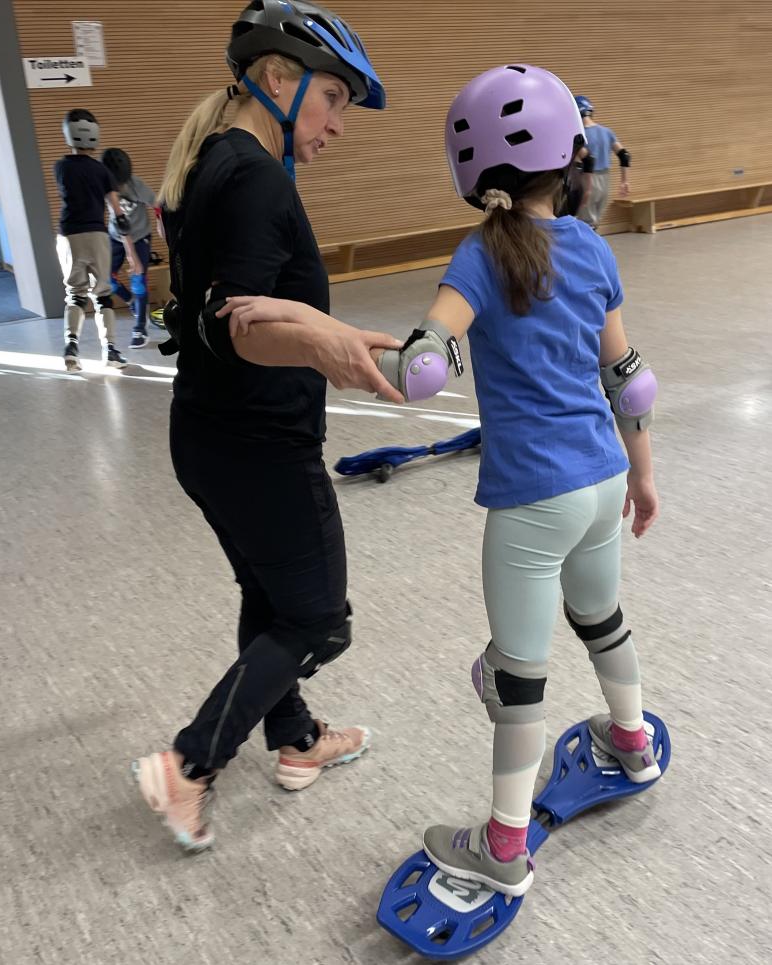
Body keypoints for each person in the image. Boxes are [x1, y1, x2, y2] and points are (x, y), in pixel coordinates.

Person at [232, 64, 661, 898]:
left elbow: (428, 358)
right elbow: (630, 379)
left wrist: (350, 344)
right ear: (572, 151)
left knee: (515, 675)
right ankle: (634, 742)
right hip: (604, 481)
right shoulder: (596, 247)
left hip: (532, 502)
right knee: (602, 618)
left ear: (473, 168)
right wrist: (643, 474)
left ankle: (504, 847)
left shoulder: (479, 255)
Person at [132, 0, 401, 853]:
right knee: (318, 618)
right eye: (332, 98)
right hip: (257, 446)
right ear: (277, 81)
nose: (336, 125)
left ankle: (295, 742)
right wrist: (327, 341)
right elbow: (232, 323)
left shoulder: (216, 161)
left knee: (271, 597)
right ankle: (190, 760)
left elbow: (221, 313)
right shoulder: (254, 176)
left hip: (210, 437)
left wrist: (321, 334)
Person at [54, 109, 131, 371]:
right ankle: (110, 351)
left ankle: (71, 349)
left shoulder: (61, 167)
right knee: (102, 294)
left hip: (68, 235)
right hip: (96, 233)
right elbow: (116, 209)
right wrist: (125, 232)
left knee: (75, 294)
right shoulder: (101, 170)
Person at [101, 148, 158, 349]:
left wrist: (161, 223)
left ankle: (141, 327)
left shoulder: (136, 185)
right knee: (107, 279)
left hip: (140, 236)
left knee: (138, 281)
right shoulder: (104, 187)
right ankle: (132, 302)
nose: (119, 186)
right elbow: (119, 224)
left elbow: (157, 203)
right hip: (116, 237)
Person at [574, 94, 631, 229]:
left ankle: (589, 249)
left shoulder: (579, 135)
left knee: (584, 223)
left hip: (587, 179)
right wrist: (625, 181)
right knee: (595, 222)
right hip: (605, 180)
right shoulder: (606, 131)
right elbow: (624, 155)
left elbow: (588, 161)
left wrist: (587, 189)